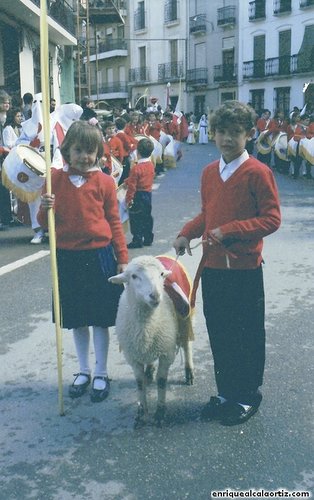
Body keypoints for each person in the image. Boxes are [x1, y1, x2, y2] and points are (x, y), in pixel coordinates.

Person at [173, 100, 281, 426]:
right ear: (214, 133)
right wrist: (186, 233)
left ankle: (247, 396)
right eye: (222, 132)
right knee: (220, 333)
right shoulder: (209, 173)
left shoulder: (258, 173)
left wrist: (231, 231)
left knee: (245, 335)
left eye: (236, 133)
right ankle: (225, 393)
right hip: (215, 269)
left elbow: (272, 219)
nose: (227, 139)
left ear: (249, 134)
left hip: (245, 269)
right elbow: (209, 214)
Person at [38, 120, 128, 402]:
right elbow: (44, 224)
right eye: (78, 150)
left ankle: (101, 371)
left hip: (99, 255)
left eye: (90, 151)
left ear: (99, 153)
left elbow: (114, 221)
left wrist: (122, 258)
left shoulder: (104, 181)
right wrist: (45, 207)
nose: (84, 157)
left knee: (100, 318)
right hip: (68, 257)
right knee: (77, 319)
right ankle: (84, 369)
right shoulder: (55, 181)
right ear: (67, 150)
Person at [124, 137, 155, 249]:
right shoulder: (151, 165)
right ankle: (148, 238)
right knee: (147, 216)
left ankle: (137, 240)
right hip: (147, 194)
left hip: (138, 195)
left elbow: (132, 186)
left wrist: (129, 199)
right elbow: (143, 178)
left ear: (137, 152)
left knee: (135, 218)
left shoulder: (136, 168)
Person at [0, 90, 12, 230]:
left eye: (8, 102)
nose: (6, 104)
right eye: (3, 102)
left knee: (4, 187)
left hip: (3, 159)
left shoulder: (5, 119)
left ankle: (6, 217)